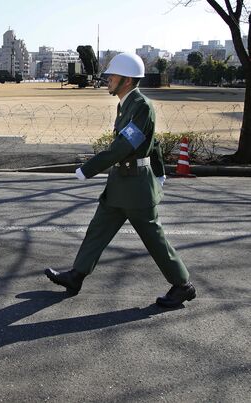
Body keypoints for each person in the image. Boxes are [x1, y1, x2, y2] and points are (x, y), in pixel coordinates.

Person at [44, 53, 196, 308]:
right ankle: (76, 276)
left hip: (136, 186)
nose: (107, 79)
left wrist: (89, 168)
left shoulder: (141, 106)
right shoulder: (125, 104)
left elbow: (125, 145)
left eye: (112, 76)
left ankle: (182, 285)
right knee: (98, 229)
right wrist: (160, 171)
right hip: (120, 184)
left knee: (154, 238)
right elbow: (153, 141)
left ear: (126, 80)